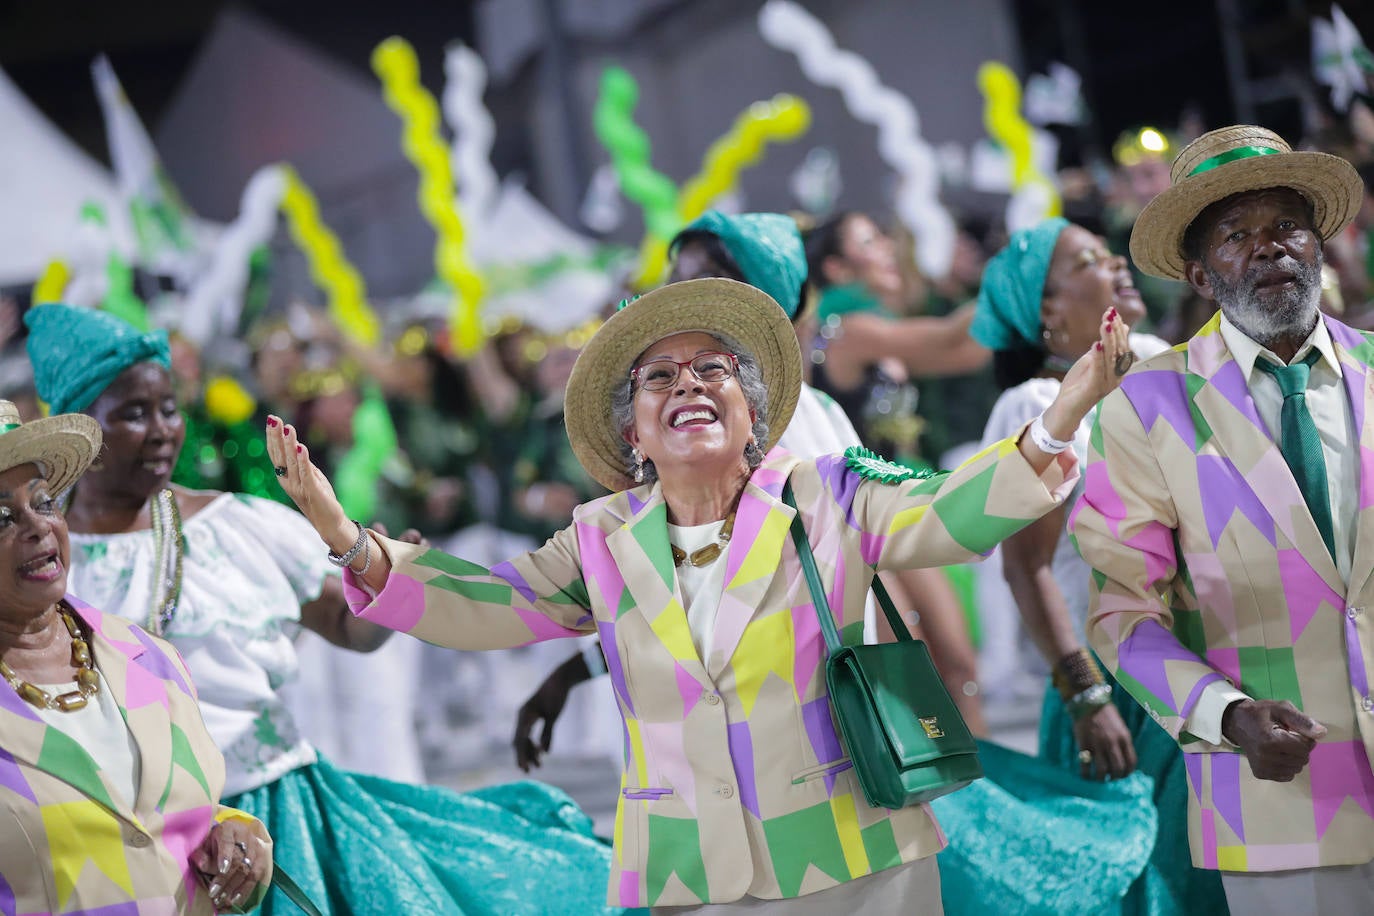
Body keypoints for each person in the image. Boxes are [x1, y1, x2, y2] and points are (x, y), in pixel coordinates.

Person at [268, 276, 1132, 911]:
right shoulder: (602, 536)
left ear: (753, 414)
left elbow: (951, 512)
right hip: (688, 875)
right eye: (659, 379)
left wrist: (1058, 420)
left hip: (855, 862)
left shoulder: (826, 492)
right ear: (634, 430)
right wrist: (351, 540)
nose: (687, 384)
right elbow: (491, 602)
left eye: (712, 369)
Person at [23, 304, 620, 916]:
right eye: (131, 414)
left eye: (168, 409)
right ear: (80, 429)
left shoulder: (243, 528)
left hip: (283, 819)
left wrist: (378, 567)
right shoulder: (38, 557)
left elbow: (348, 629)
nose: (160, 430)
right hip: (124, 837)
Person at [1071, 124, 1374, 914]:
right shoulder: (1145, 406)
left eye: (1286, 227)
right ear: (1203, 278)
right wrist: (1226, 715)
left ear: (1320, 248)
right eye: (1238, 236)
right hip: (1276, 801)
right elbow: (1118, 610)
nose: (1269, 248)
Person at [972, 217, 1227, 913]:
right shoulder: (1038, 408)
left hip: (1200, 667)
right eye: (1088, 260)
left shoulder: (1156, 362)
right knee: (1142, 886)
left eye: (1111, 253)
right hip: (1113, 687)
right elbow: (1027, 567)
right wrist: (1085, 697)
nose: (1115, 264)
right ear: (1048, 311)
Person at [0, 399, 272, 914]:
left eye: (44, 502)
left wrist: (227, 837)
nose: (37, 527)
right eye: (1, 518)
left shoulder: (147, 657)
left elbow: (155, 822)